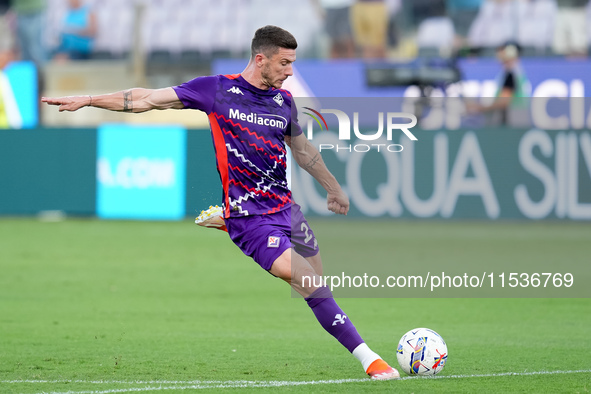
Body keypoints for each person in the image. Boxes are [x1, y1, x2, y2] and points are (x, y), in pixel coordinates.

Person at [42, 25, 400, 381]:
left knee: (316, 286)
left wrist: (333, 187)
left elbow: (303, 151)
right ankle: (373, 362)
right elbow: (146, 99)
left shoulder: (284, 102)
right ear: (261, 59)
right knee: (309, 282)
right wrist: (89, 99)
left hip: (287, 211)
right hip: (251, 218)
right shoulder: (216, 90)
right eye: (284, 63)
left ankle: (225, 217)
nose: (290, 72)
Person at [466, 41, 530, 127]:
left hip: (513, 122)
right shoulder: (516, 72)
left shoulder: (511, 74)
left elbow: (504, 102)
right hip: (517, 120)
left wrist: (479, 108)